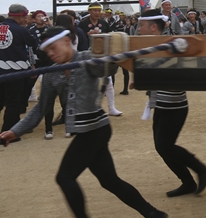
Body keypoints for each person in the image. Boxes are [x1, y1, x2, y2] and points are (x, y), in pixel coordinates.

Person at [0, 27, 168, 218]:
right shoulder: (51, 74)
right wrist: (15, 131)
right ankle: (152, 213)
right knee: (109, 181)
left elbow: (107, 68)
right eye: (47, 51)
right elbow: (41, 108)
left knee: (64, 177)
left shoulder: (87, 58)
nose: (51, 54)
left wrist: (112, 52)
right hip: (89, 130)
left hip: (95, 129)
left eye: (53, 47)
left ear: (66, 41)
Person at [133, 9, 206, 197]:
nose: (138, 29)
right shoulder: (151, 46)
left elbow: (177, 72)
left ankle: (201, 170)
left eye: (141, 25)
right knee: (162, 147)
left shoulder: (173, 45)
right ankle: (188, 182)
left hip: (174, 105)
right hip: (161, 104)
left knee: (165, 146)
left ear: (153, 27)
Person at [0, 4, 37, 136]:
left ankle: (15, 126)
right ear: (20, 16)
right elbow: (33, 42)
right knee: (13, 102)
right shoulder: (21, 30)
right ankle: (8, 131)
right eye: (25, 16)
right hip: (15, 70)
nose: (26, 19)